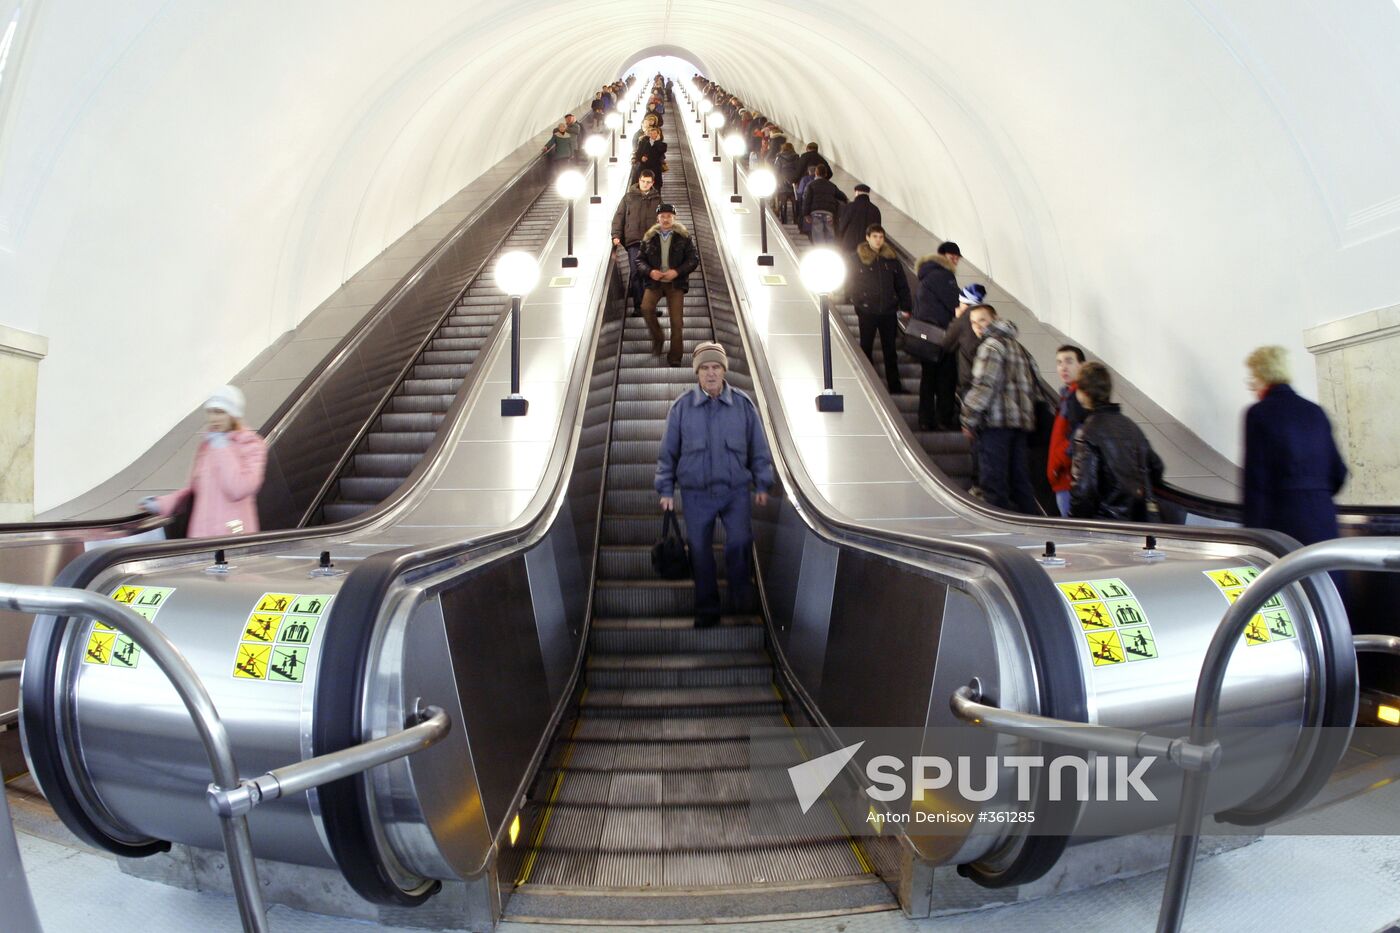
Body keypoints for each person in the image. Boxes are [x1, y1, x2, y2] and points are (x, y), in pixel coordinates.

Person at [656, 342, 774, 628]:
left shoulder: (743, 406)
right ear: (697, 373)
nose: (710, 373)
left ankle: (740, 596)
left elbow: (758, 449)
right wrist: (666, 489)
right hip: (697, 494)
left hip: (735, 492)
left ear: (724, 371)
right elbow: (668, 452)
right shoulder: (682, 408)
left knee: (740, 542)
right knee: (699, 550)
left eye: (716, 368)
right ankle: (707, 609)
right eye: (705, 368)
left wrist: (762, 483)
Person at [1242, 346, 1348, 545]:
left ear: (1262, 375)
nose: (1251, 385)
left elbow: (1256, 481)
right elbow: (1339, 473)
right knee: (1325, 575)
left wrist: (1252, 535)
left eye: (1252, 378)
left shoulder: (1259, 414)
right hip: (1324, 519)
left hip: (1283, 522)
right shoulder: (1315, 412)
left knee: (1290, 575)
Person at [141, 385, 267, 537]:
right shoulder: (208, 445)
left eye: (220, 412)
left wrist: (222, 448)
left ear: (233, 414)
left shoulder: (250, 444)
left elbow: (238, 489)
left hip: (232, 538)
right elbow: (195, 490)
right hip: (202, 537)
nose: (213, 418)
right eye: (210, 412)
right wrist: (162, 504)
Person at [961, 306, 1039, 513]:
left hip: (995, 425)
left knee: (994, 485)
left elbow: (984, 386)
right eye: (973, 322)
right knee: (1021, 484)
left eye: (982, 320)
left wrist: (968, 418)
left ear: (995, 319)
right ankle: (1035, 532)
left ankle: (1002, 536)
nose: (977, 326)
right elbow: (1035, 384)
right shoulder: (1019, 347)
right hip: (1020, 426)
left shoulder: (991, 346)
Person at [1069, 362, 1165, 521]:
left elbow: (1084, 489)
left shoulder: (1087, 432)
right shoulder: (1131, 426)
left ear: (1083, 393)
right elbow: (1157, 466)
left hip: (1105, 524)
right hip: (1139, 522)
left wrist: (1073, 524)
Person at [848, 225, 911, 394]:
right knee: (866, 347)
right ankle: (868, 384)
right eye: (875, 236)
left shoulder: (891, 260)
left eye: (881, 237)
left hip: (888, 312)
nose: (878, 240)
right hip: (867, 311)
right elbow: (850, 281)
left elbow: (902, 285)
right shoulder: (857, 258)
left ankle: (895, 386)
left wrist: (906, 306)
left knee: (890, 350)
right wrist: (859, 301)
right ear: (867, 237)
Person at [636, 203, 699, 366]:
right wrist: (650, 272)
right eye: (662, 216)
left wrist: (677, 272)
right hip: (655, 282)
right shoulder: (649, 237)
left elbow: (693, 259)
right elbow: (639, 260)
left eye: (669, 216)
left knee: (677, 322)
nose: (665, 219)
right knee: (646, 308)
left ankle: (675, 357)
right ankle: (659, 338)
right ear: (658, 218)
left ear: (674, 217)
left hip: (675, 284)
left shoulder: (684, 237)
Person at [913, 245, 963, 430]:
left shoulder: (927, 274)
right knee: (946, 378)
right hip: (941, 335)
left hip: (926, 335)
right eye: (953, 256)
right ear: (942, 256)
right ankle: (944, 418)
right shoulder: (944, 275)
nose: (956, 260)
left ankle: (925, 420)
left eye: (958, 257)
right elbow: (955, 304)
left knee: (928, 378)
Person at [612, 170, 663, 318]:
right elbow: (619, 216)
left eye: (648, 182)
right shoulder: (628, 197)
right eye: (643, 181)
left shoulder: (657, 199)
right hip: (633, 241)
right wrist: (616, 234)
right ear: (638, 180)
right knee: (635, 272)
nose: (645, 184)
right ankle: (638, 307)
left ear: (652, 183)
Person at [1047, 345, 1088, 515]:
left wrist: (1057, 466)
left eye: (1069, 361)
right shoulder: (1068, 396)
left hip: (1068, 480)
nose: (1063, 367)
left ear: (1082, 365)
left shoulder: (1077, 398)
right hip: (1065, 479)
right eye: (1059, 363)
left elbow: (1076, 439)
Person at [801, 164, 847, 245]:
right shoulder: (831, 185)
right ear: (825, 174)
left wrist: (806, 214)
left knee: (818, 235)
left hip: (816, 213)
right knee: (830, 235)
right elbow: (843, 197)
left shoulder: (811, 185)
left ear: (816, 173)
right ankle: (830, 251)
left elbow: (807, 200)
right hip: (829, 213)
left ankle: (820, 252)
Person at [837, 184, 881, 254]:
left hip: (849, 245)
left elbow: (842, 226)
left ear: (856, 193)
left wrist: (839, 242)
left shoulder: (849, 206)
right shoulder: (875, 210)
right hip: (867, 246)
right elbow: (878, 230)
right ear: (868, 194)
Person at [631, 125, 668, 190]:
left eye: (654, 133)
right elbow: (638, 154)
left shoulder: (662, 145)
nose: (652, 135)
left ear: (658, 135)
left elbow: (661, 150)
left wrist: (657, 141)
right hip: (643, 169)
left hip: (655, 171)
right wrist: (641, 158)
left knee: (655, 189)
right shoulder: (643, 142)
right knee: (641, 188)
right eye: (651, 133)